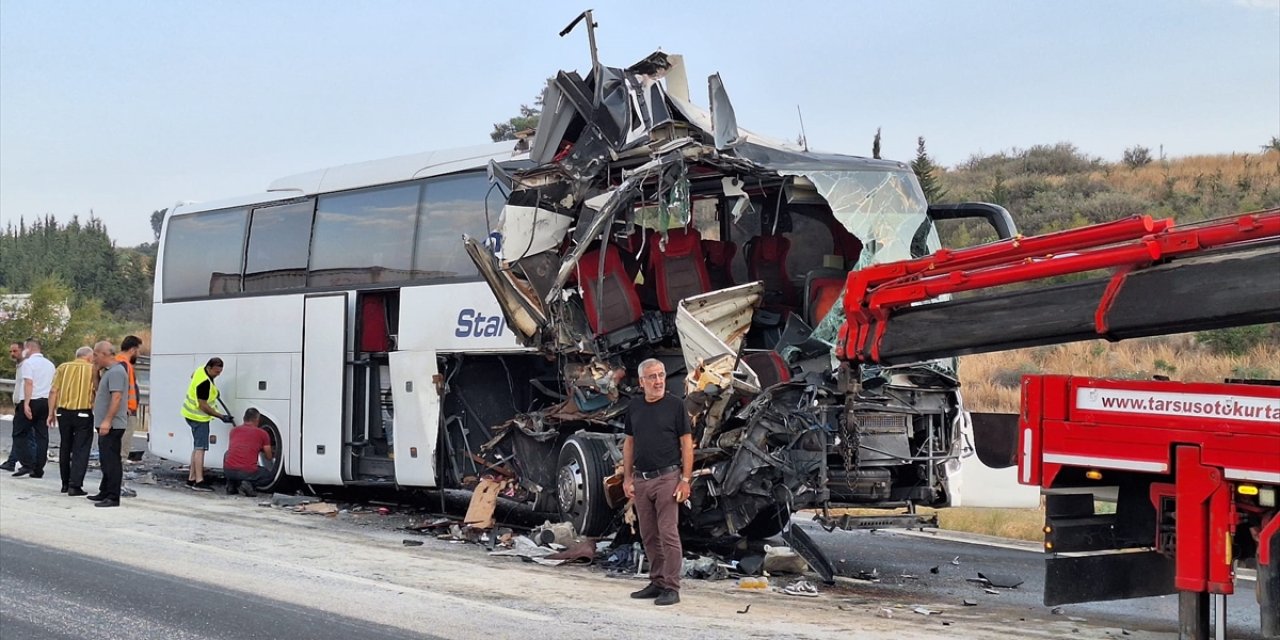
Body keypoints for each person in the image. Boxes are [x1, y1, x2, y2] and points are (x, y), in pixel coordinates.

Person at [622, 358, 694, 606]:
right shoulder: (634, 407)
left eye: (661, 375)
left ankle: (672, 588)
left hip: (668, 478)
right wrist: (627, 477)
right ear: (642, 382)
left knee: (668, 533)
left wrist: (685, 480)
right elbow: (629, 442)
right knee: (649, 534)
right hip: (642, 480)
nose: (658, 381)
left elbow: (687, 444)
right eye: (652, 377)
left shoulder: (676, 406)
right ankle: (657, 581)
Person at [47, 346, 96, 496]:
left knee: (65, 446)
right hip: (83, 413)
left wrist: (51, 412)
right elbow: (96, 391)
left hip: (63, 413)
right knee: (81, 449)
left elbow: (54, 390)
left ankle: (65, 483)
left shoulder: (63, 367)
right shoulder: (92, 369)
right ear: (89, 356)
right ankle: (75, 485)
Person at [180, 357, 233, 491]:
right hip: (199, 417)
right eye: (216, 372)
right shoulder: (204, 383)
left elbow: (192, 375)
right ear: (209, 368)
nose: (218, 374)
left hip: (189, 414)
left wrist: (214, 392)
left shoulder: (200, 370)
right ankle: (199, 481)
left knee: (196, 447)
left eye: (220, 372)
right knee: (200, 448)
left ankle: (191, 479)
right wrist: (221, 416)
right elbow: (203, 405)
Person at [86, 341, 127, 507]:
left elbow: (116, 398)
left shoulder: (117, 372)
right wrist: (95, 372)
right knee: (105, 459)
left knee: (111, 461)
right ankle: (104, 491)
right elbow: (98, 390)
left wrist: (107, 420)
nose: (94, 358)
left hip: (112, 424)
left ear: (104, 354)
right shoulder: (108, 372)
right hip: (105, 422)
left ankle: (113, 496)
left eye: (96, 355)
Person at [13, 337, 55, 478]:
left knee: (20, 433)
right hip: (45, 402)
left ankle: (27, 463)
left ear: (29, 348)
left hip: (31, 400)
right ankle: (38, 468)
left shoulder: (28, 363)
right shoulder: (50, 365)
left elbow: (29, 383)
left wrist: (26, 403)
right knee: (42, 435)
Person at [222, 407, 274, 497]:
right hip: (247, 472)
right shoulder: (262, 433)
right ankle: (248, 484)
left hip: (228, 471)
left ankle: (231, 483)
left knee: (227, 453)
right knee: (268, 476)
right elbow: (269, 457)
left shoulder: (233, 431)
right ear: (257, 420)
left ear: (244, 419)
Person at [116, 335, 142, 465]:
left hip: (124, 410)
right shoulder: (123, 365)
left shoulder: (118, 362)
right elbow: (119, 389)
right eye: (138, 350)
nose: (138, 354)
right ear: (132, 349)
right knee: (121, 450)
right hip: (126, 412)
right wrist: (125, 407)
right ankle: (116, 481)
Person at [1, 341, 25, 471]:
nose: (12, 354)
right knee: (21, 434)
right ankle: (17, 461)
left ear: (23, 350)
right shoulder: (20, 365)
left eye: (15, 351)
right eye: (11, 351)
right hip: (20, 404)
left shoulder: (26, 366)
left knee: (20, 434)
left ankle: (14, 462)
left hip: (25, 404)